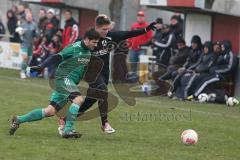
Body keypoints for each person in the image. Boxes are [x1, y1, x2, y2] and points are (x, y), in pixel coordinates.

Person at [57, 14, 158, 135]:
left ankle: (66, 119)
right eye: (103, 29)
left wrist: (146, 29)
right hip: (91, 73)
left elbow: (127, 34)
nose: (106, 31)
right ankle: (105, 123)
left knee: (91, 100)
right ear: (96, 27)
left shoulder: (110, 36)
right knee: (103, 91)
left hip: (104, 72)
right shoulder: (87, 38)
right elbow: (71, 51)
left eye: (107, 29)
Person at [9, 28, 101, 138]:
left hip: (69, 82)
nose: (95, 45)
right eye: (94, 42)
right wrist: (41, 66)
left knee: (50, 111)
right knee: (78, 99)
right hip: (63, 79)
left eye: (97, 42)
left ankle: (18, 119)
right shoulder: (74, 48)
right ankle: (68, 129)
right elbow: (56, 56)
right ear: (86, 39)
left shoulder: (88, 51)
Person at [128, 11, 153, 76]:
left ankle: (143, 78)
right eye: (139, 17)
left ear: (144, 18)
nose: (140, 18)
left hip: (142, 49)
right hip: (133, 49)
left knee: (143, 64)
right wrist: (129, 44)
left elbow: (150, 38)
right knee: (133, 63)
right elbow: (130, 35)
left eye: (141, 17)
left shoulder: (147, 26)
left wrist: (144, 44)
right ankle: (133, 78)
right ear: (137, 17)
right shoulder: (134, 26)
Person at [16, 12, 37, 79]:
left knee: (28, 59)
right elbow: (17, 33)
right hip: (24, 44)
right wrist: (20, 33)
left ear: (32, 17)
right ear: (26, 17)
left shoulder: (34, 25)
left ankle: (24, 70)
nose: (29, 18)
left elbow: (37, 35)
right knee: (24, 58)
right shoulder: (22, 25)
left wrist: (35, 33)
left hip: (31, 44)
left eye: (30, 17)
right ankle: (22, 72)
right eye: (28, 17)